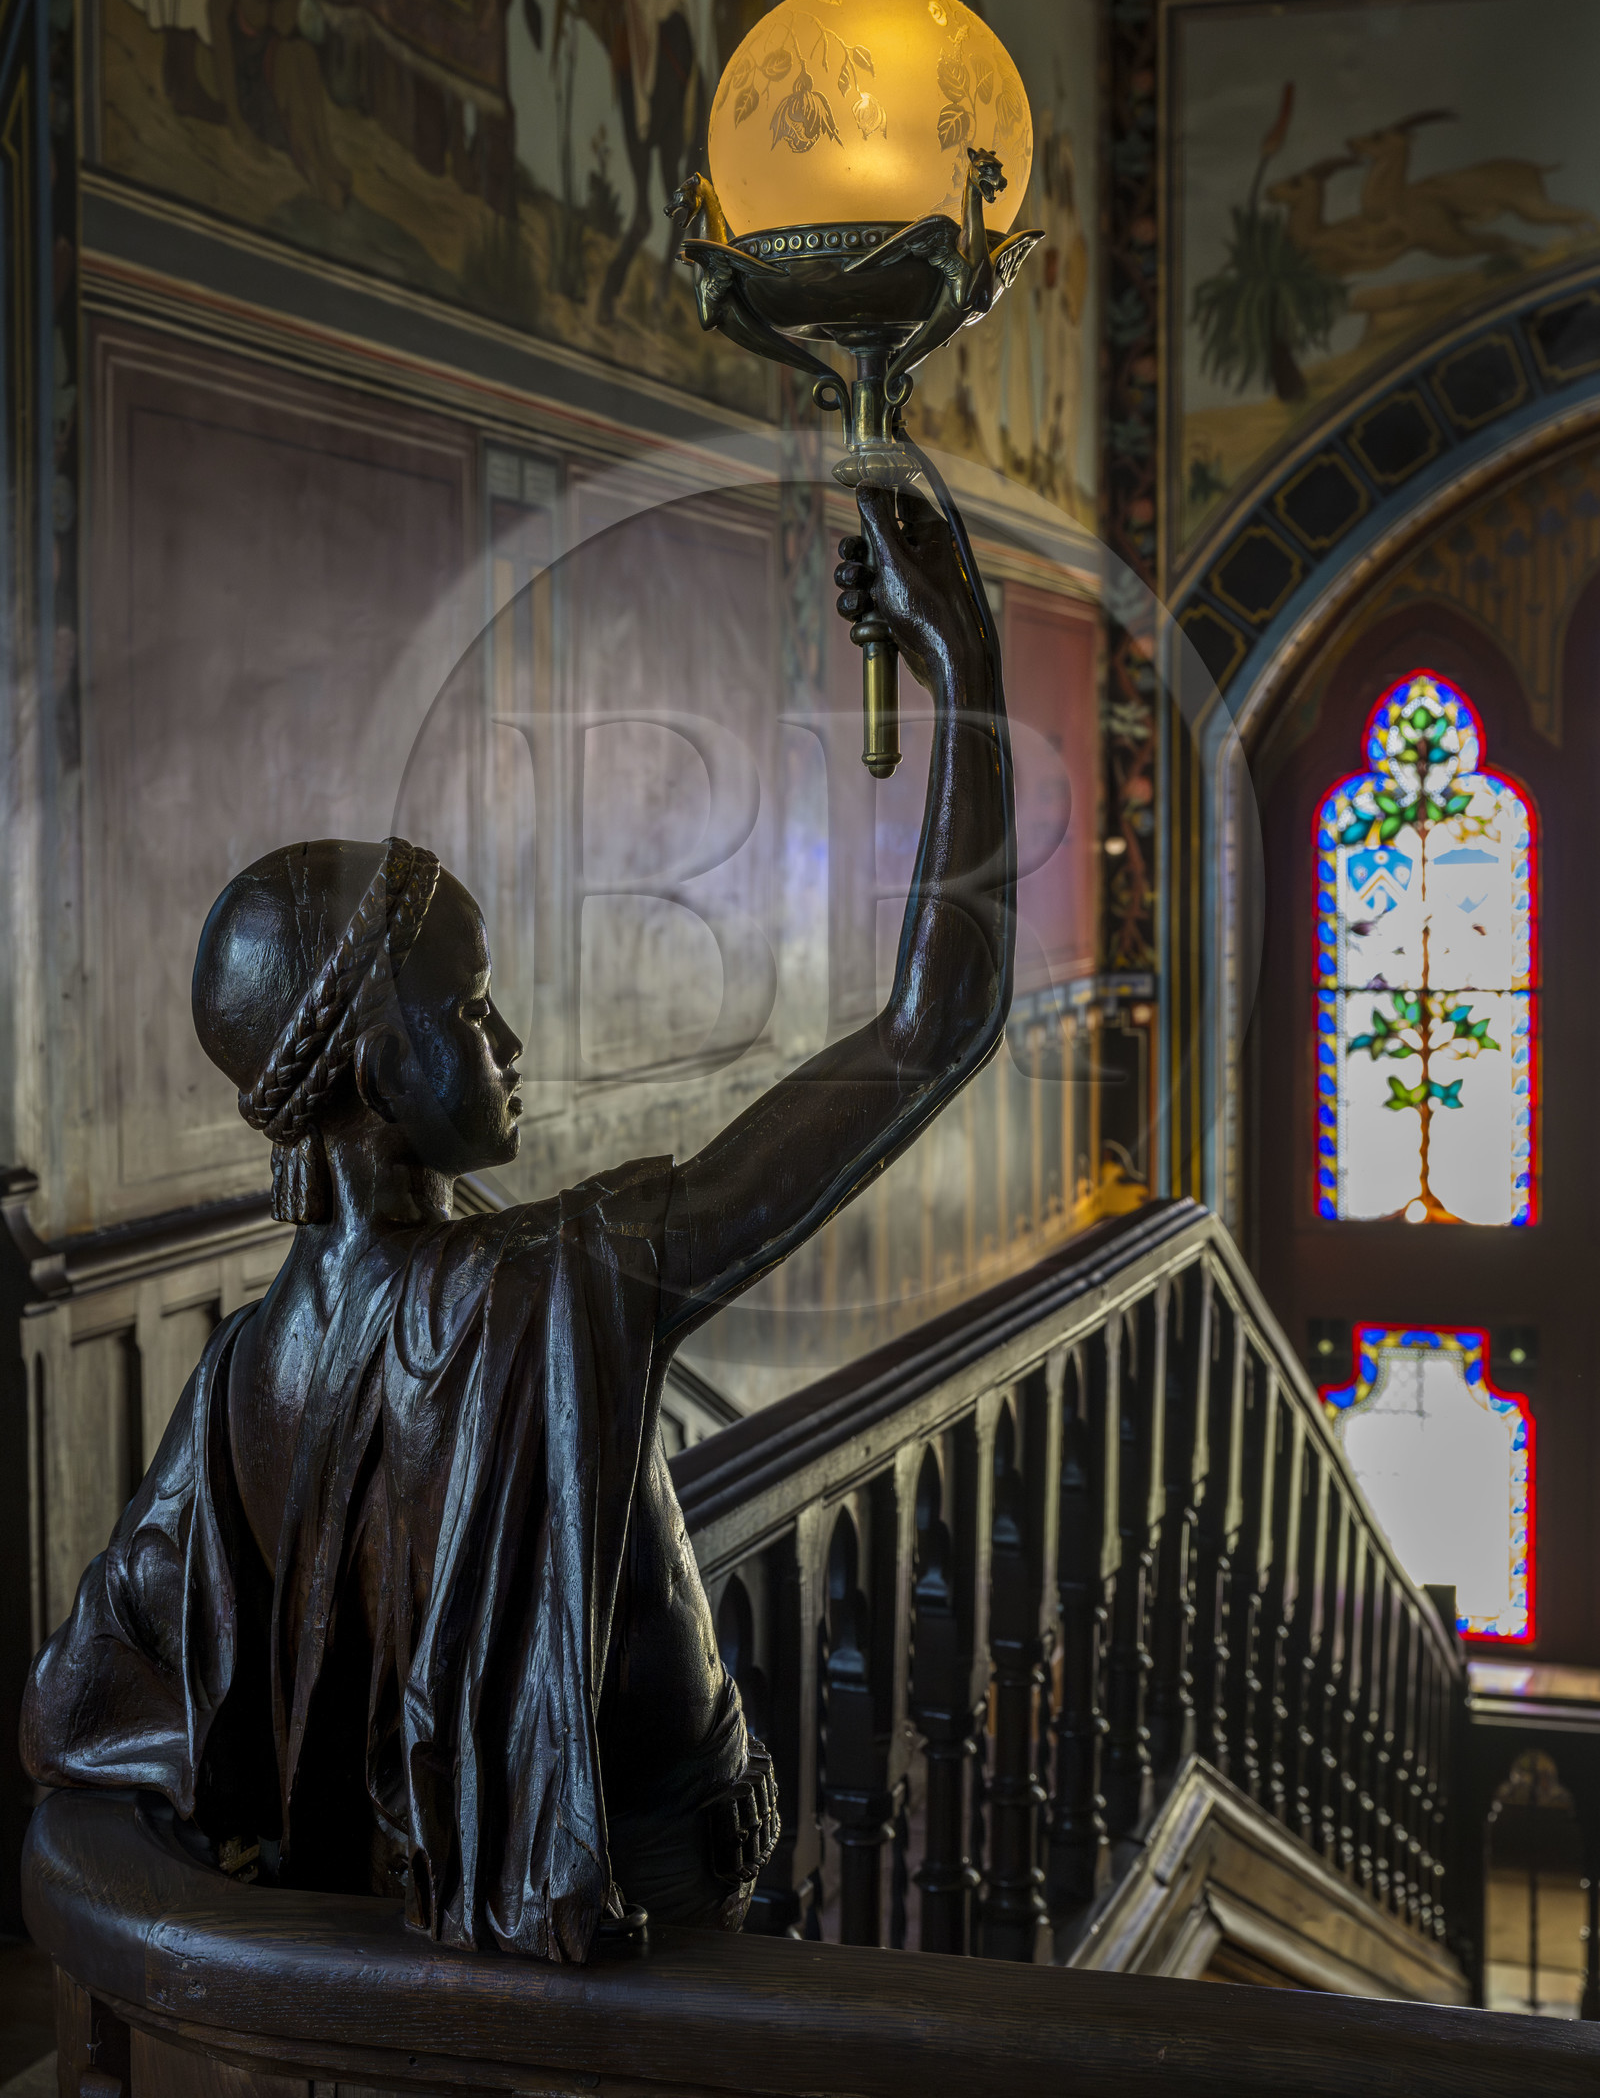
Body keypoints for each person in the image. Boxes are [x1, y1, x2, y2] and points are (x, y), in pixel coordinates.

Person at [21, 487, 1016, 1962]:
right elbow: (936, 1027)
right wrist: (968, 675)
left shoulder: (238, 1375)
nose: (508, 1039)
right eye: (470, 1005)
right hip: (648, 1930)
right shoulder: (560, 1282)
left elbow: (74, 1701)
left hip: (409, 1950)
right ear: (371, 1071)